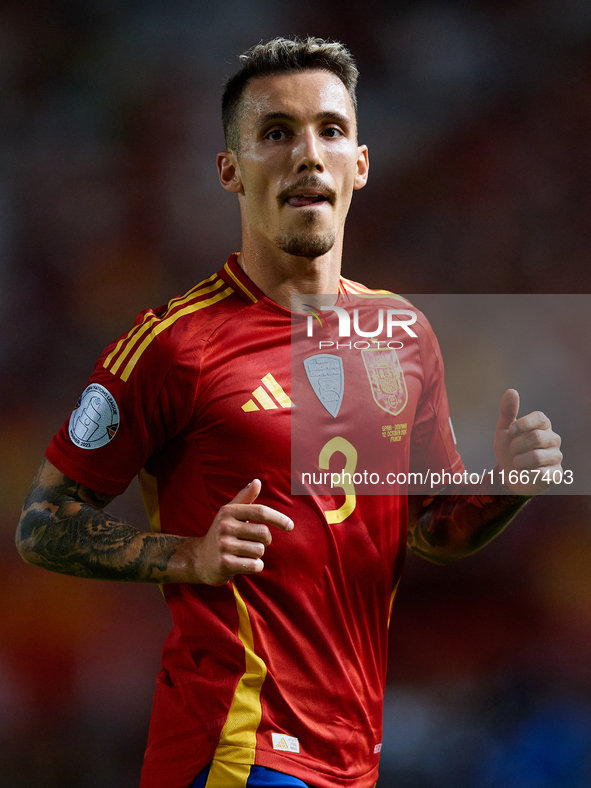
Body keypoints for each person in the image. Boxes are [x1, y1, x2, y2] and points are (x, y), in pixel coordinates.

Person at [15, 37, 563, 788]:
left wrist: (508, 486)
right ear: (230, 171)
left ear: (359, 165)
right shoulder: (175, 346)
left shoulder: (402, 334)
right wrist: (188, 554)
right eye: (276, 133)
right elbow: (43, 524)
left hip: (354, 756)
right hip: (239, 752)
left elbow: (429, 528)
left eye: (329, 130)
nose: (307, 154)